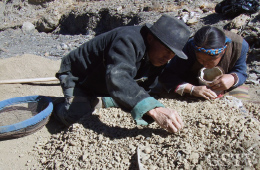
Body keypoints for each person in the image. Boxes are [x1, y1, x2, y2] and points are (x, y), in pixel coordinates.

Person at [54, 14, 191, 133]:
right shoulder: (128, 40)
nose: (168, 57)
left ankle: (96, 100)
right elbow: (117, 76)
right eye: (167, 50)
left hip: (103, 80)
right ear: (150, 38)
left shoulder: (158, 58)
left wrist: (145, 105)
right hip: (79, 76)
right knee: (77, 118)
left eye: (173, 54)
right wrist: (154, 109)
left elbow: (145, 88)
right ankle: (54, 107)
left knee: (132, 96)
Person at [157, 26, 249, 100]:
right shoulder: (190, 47)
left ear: (223, 51)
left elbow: (242, 73)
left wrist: (233, 78)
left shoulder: (239, 46)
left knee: (241, 96)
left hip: (225, 90)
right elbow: (167, 74)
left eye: (210, 60)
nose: (205, 64)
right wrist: (191, 89)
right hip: (194, 87)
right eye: (200, 59)